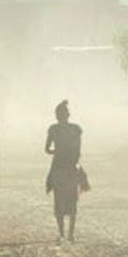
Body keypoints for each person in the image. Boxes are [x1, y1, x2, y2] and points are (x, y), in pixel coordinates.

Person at [45, 99, 84, 242]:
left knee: (59, 201)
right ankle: (70, 234)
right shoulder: (76, 129)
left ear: (57, 116)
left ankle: (62, 233)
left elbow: (47, 149)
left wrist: (58, 151)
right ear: (68, 115)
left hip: (58, 168)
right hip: (72, 167)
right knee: (72, 200)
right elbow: (78, 151)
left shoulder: (53, 130)